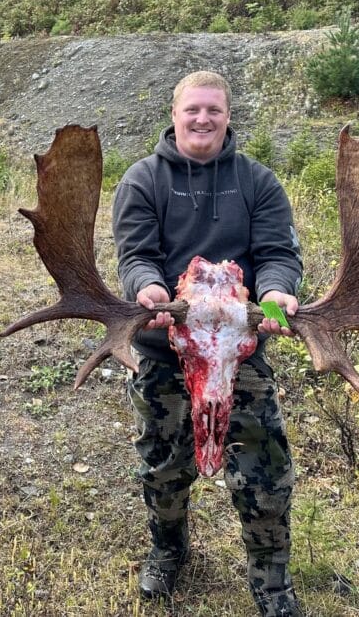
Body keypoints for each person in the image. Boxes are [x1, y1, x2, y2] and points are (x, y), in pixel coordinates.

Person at [111, 71, 304, 617]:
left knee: (263, 469)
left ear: (227, 116)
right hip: (163, 353)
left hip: (241, 352)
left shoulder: (257, 181)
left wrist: (272, 303)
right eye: (193, 110)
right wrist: (146, 289)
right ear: (174, 115)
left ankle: (272, 581)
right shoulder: (143, 180)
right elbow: (136, 254)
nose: (203, 119)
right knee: (163, 463)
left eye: (213, 111)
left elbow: (277, 258)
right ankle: (168, 552)